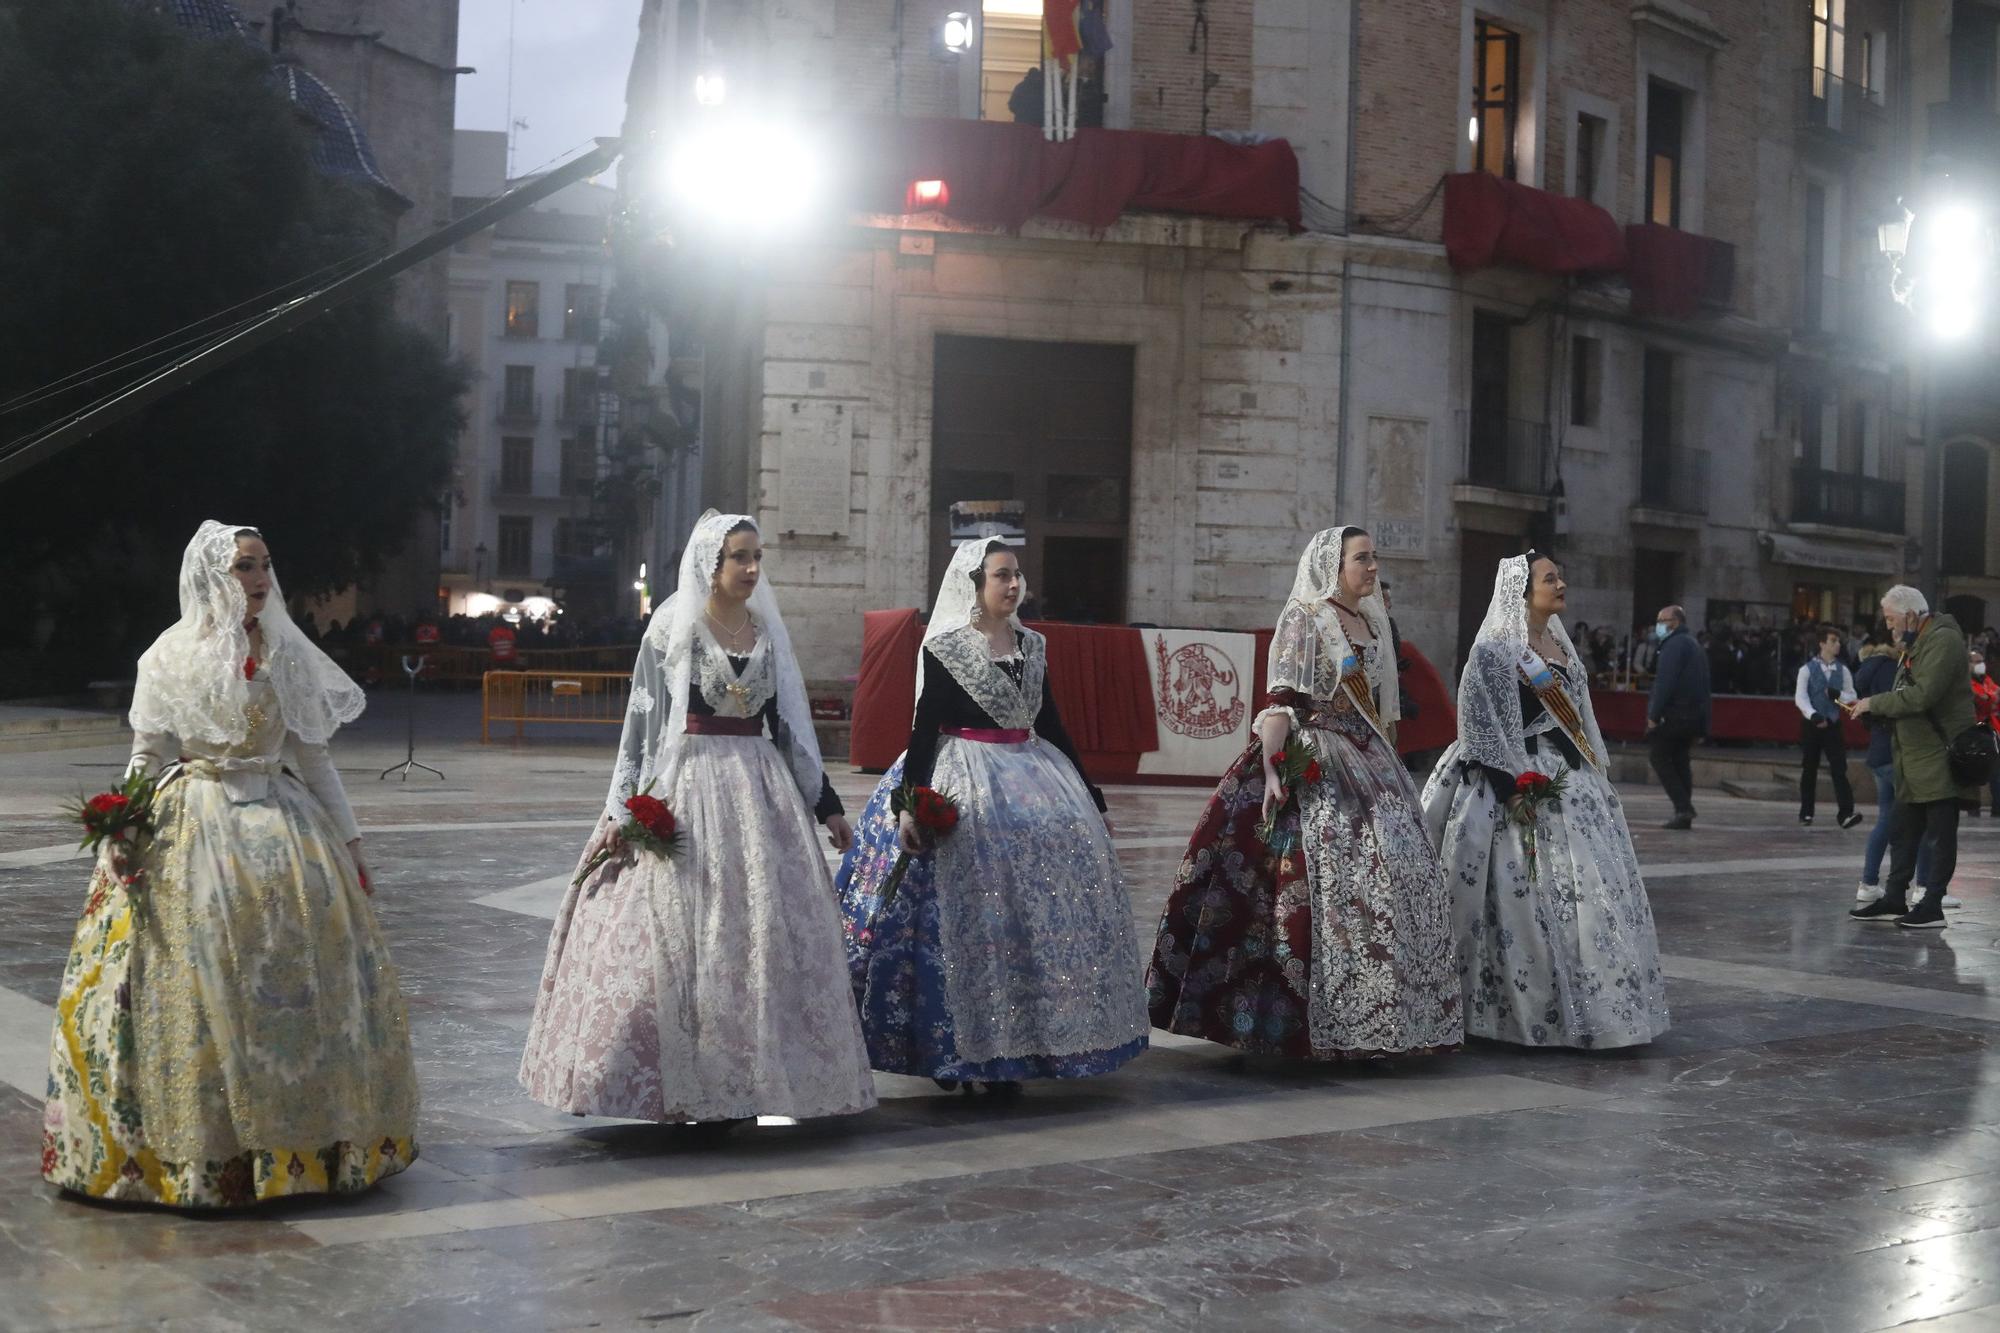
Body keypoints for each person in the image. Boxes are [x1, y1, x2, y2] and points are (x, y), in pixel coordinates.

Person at [42, 522, 418, 1208]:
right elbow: (147, 754)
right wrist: (118, 829)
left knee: (301, 972)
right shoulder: (169, 655)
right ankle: (192, 1146)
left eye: (266, 564)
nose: (261, 578)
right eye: (246, 566)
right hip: (195, 821)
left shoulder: (286, 654)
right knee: (193, 975)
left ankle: (306, 1143)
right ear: (215, 575)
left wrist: (354, 848)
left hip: (284, 825)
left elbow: (315, 757)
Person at [520, 512, 875, 1124]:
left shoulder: (766, 630)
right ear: (712, 562)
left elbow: (789, 724)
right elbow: (640, 725)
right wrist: (622, 809)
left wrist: (829, 806)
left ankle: (754, 1081)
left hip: (760, 794)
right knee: (683, 935)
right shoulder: (673, 627)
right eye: (740, 556)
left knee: (757, 938)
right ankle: (681, 1085)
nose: (752, 568)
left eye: (757, 556)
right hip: (688, 783)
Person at [837, 539, 1148, 1094]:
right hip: (966, 774)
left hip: (1034, 772)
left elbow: (1051, 723)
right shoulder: (948, 649)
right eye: (1001, 575)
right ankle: (959, 1047)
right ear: (975, 585)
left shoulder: (1033, 645)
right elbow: (924, 729)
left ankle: (1030, 1040)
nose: (1013, 584)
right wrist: (911, 802)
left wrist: (1092, 797)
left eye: (1016, 574)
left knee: (1038, 909)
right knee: (967, 917)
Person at [1147, 526, 1462, 1060]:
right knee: (1320, 881)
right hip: (1318, 754)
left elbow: (1387, 706)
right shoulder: (1307, 618)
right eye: (1362, 558)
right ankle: (1310, 1018)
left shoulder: (1372, 623)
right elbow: (1282, 701)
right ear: (1332, 566)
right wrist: (1272, 770)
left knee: (1398, 869)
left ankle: (1388, 1014)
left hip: (1371, 759)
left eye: (1374, 557)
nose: (1372, 567)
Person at [1421, 554, 1669, 1048]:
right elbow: (1479, 725)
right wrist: (1514, 786)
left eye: (1560, 575)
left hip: (1571, 782)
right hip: (1513, 780)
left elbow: (1579, 718)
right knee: (1520, 904)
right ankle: (1517, 1012)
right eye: (1549, 578)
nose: (1561, 583)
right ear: (1521, 589)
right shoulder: (1495, 649)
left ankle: (1601, 1006)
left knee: (1592, 897)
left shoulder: (1559, 645)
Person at [1849, 586, 1978, 930]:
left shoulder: (1944, 640)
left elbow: (1922, 696)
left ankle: (1932, 904)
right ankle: (1894, 897)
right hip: (1914, 758)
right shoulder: (1917, 644)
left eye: (1892, 620)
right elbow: (1903, 695)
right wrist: (1877, 713)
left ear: (1909, 614)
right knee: (1902, 832)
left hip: (1938, 756)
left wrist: (1875, 703)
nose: (1890, 629)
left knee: (1939, 834)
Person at [1854, 637, 1942, 907]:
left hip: (1877, 754)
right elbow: (1908, 703)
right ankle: (1923, 886)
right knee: (1926, 819)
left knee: (1885, 818)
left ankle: (1868, 883)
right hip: (1897, 753)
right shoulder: (1894, 668)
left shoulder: (1868, 670)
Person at [1647, 604, 1711, 829]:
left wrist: (1653, 714)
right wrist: (1704, 725)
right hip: (1693, 716)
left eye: (1661, 620)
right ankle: (1683, 812)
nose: (1658, 626)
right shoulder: (1694, 645)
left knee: (1659, 757)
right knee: (1681, 761)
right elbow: (1705, 687)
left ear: (1674, 622)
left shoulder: (1673, 645)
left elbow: (1665, 683)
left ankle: (1683, 807)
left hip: (1675, 715)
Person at [1794, 625, 1864, 828]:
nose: (1837, 644)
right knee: (1809, 768)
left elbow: (1852, 696)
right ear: (1822, 643)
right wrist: (1813, 715)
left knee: (1839, 768)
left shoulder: (1843, 670)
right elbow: (1800, 697)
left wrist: (1837, 695)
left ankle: (1846, 813)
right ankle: (1806, 812)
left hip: (1833, 724)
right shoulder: (1806, 669)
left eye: (1838, 641)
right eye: (1833, 641)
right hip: (1811, 725)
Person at [1970, 649, 2000, 818]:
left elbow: (1993, 695)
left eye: (1981, 661)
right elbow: (1984, 701)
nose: (1980, 664)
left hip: (1992, 731)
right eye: (1976, 661)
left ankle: (1997, 808)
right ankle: (1973, 809)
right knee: (1974, 772)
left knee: (1996, 773)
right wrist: (1991, 698)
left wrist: (1990, 697)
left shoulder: (1986, 680)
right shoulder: (1966, 682)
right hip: (1974, 732)